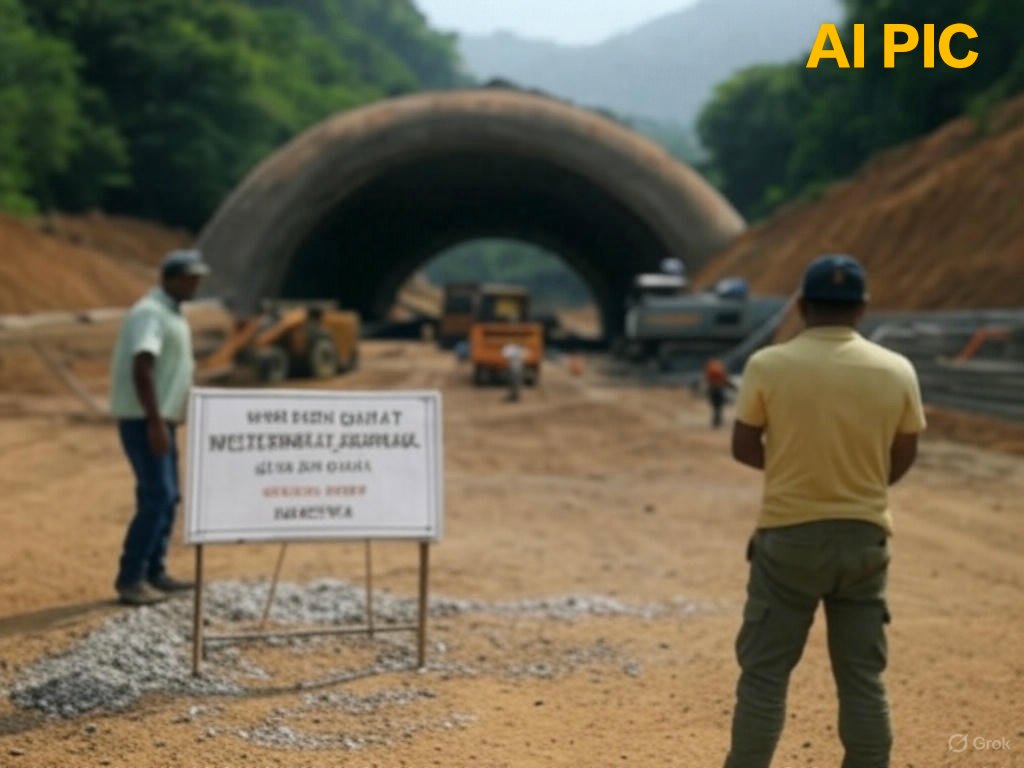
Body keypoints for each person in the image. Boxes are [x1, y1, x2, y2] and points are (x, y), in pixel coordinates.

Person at [722, 254, 926, 768]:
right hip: (864, 540)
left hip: (787, 539)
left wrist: (795, 471)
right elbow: (905, 452)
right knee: (862, 678)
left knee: (765, 676)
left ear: (802, 306)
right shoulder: (896, 370)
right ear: (862, 308)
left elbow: (743, 445)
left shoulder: (768, 365)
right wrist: (860, 485)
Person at [109, 249, 210, 605]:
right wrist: (153, 421)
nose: (195, 285)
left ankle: (155, 570)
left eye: (198, 279)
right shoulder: (149, 313)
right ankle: (131, 578)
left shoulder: (172, 313)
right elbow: (143, 365)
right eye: (189, 279)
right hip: (144, 420)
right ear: (169, 279)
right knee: (157, 496)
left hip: (159, 419)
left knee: (169, 497)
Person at [703, 357, 733, 428]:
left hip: (713, 390)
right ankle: (718, 421)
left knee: (715, 407)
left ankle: (716, 421)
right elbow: (726, 380)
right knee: (719, 407)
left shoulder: (711, 370)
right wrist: (733, 387)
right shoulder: (720, 370)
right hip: (719, 390)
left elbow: (707, 380)